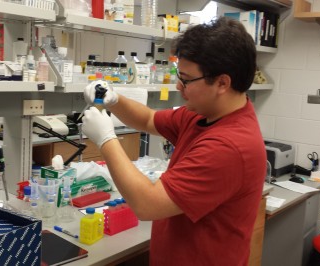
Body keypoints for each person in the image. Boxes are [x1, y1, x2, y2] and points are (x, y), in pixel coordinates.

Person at [81, 17, 267, 266]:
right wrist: (115, 100)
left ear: (222, 83)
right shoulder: (203, 113)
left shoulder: (229, 146)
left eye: (187, 79)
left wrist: (105, 139)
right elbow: (148, 119)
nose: (179, 85)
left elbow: (147, 205)